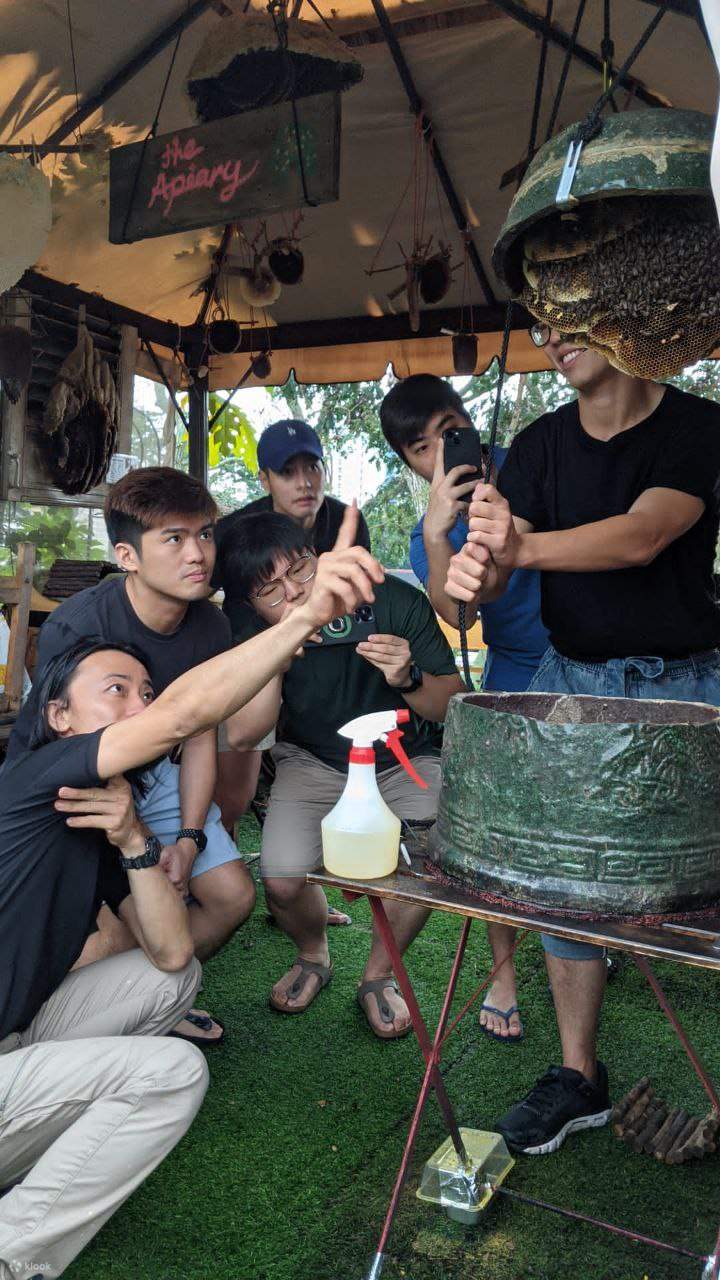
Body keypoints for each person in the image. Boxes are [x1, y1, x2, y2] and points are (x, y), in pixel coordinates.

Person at [0, 509, 380, 1275]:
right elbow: (187, 712)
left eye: (145, 691)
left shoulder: (111, 810)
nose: (141, 708)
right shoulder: (39, 778)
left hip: (16, 1040)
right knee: (173, 1074)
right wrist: (306, 613)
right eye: (116, 690)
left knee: (169, 979)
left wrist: (139, 843)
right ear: (59, 715)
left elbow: (172, 952)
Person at [443, 323, 720, 1155]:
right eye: (540, 322)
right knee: (563, 884)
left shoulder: (697, 427)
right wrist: (477, 565)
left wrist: (520, 546)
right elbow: (498, 563)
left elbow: (644, 534)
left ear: (625, 312)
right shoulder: (537, 444)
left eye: (571, 315)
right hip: (574, 685)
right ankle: (577, 1077)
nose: (552, 336)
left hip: (690, 691)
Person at [7, 466, 255, 1046]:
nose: (198, 553)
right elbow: (73, 748)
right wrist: (137, 839)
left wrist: (190, 837)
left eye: (206, 534)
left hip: (155, 772)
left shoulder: (210, 624)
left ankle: (162, 993)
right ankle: (102, 1009)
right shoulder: (79, 623)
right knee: (110, 931)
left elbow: (196, 735)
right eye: (174, 538)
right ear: (128, 555)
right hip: (72, 781)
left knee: (233, 896)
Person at [216, 510, 465, 1037]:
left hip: (403, 756)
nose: (295, 593)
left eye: (301, 571)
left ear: (319, 558)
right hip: (313, 759)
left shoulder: (391, 599)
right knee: (280, 879)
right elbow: (243, 734)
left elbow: (452, 705)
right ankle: (314, 954)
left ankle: (377, 976)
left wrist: (409, 676)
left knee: (431, 859)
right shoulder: (249, 626)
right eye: (271, 591)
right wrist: (277, 651)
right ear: (250, 603)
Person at [380, 374, 549, 1044]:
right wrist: (437, 527)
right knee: (496, 830)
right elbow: (459, 613)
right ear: (411, 463)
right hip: (511, 674)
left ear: (470, 421)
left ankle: (593, 937)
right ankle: (503, 973)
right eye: (422, 448)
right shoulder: (432, 531)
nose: (441, 452)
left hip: (592, 660)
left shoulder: (532, 464)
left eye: (449, 430)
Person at [213, 419, 371, 919]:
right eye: (288, 472)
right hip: (254, 662)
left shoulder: (345, 522)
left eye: (312, 467)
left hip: (325, 666)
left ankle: (302, 895)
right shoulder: (236, 532)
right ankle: (223, 875)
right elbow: (214, 600)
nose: (304, 482)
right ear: (265, 480)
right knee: (235, 790)